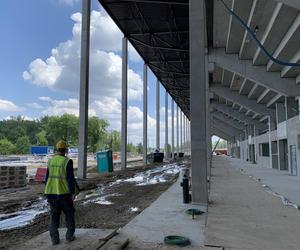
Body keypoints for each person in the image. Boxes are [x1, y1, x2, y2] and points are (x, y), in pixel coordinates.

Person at [44, 140, 76, 245]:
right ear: (66, 150)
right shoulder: (67, 161)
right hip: (64, 194)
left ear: (57, 150)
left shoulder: (50, 161)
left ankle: (54, 239)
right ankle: (69, 236)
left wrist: (47, 192)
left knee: (54, 216)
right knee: (69, 214)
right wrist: (73, 192)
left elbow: (47, 178)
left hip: (51, 193)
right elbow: (71, 179)